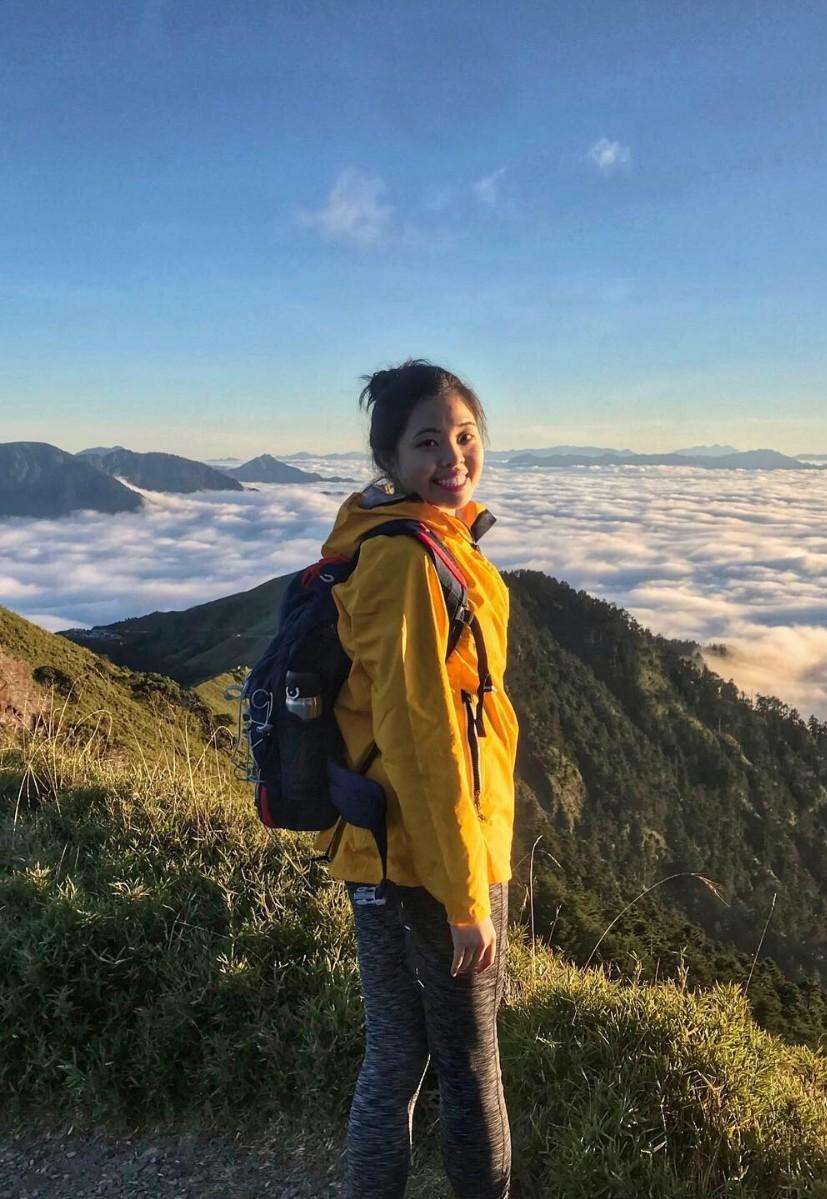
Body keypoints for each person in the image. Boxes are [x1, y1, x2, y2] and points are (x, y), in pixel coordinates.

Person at [315, 359, 519, 1199]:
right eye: (427, 442)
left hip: (379, 844)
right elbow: (422, 738)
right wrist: (465, 897)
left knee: (396, 1052)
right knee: (471, 1064)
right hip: (433, 853)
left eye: (464, 436)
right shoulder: (406, 562)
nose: (452, 456)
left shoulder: (409, 538)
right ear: (389, 459)